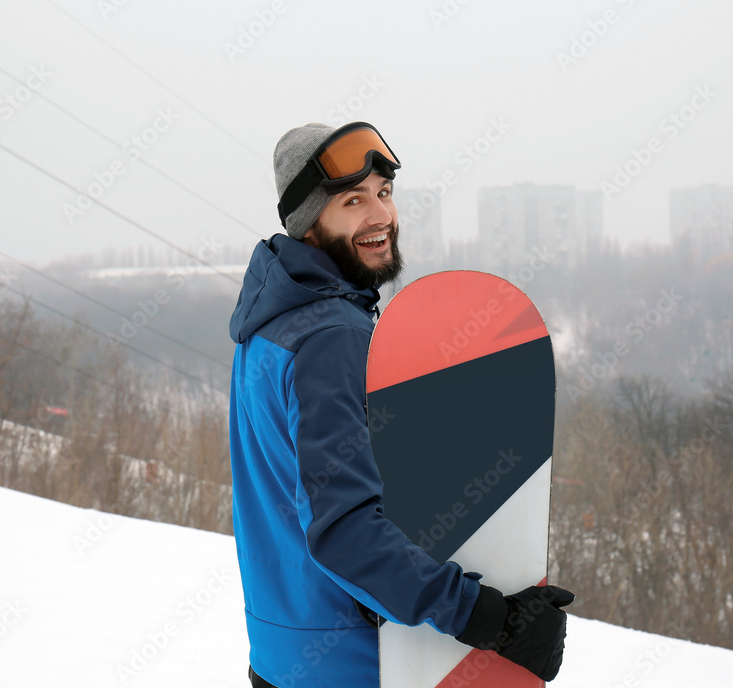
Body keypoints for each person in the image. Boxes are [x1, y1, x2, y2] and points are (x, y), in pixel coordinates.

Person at [228, 121, 574, 688]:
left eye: (384, 194)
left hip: (281, 654)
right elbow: (344, 533)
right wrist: (491, 620)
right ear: (310, 223)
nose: (380, 216)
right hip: (355, 667)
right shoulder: (331, 337)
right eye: (352, 201)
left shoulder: (267, 325)